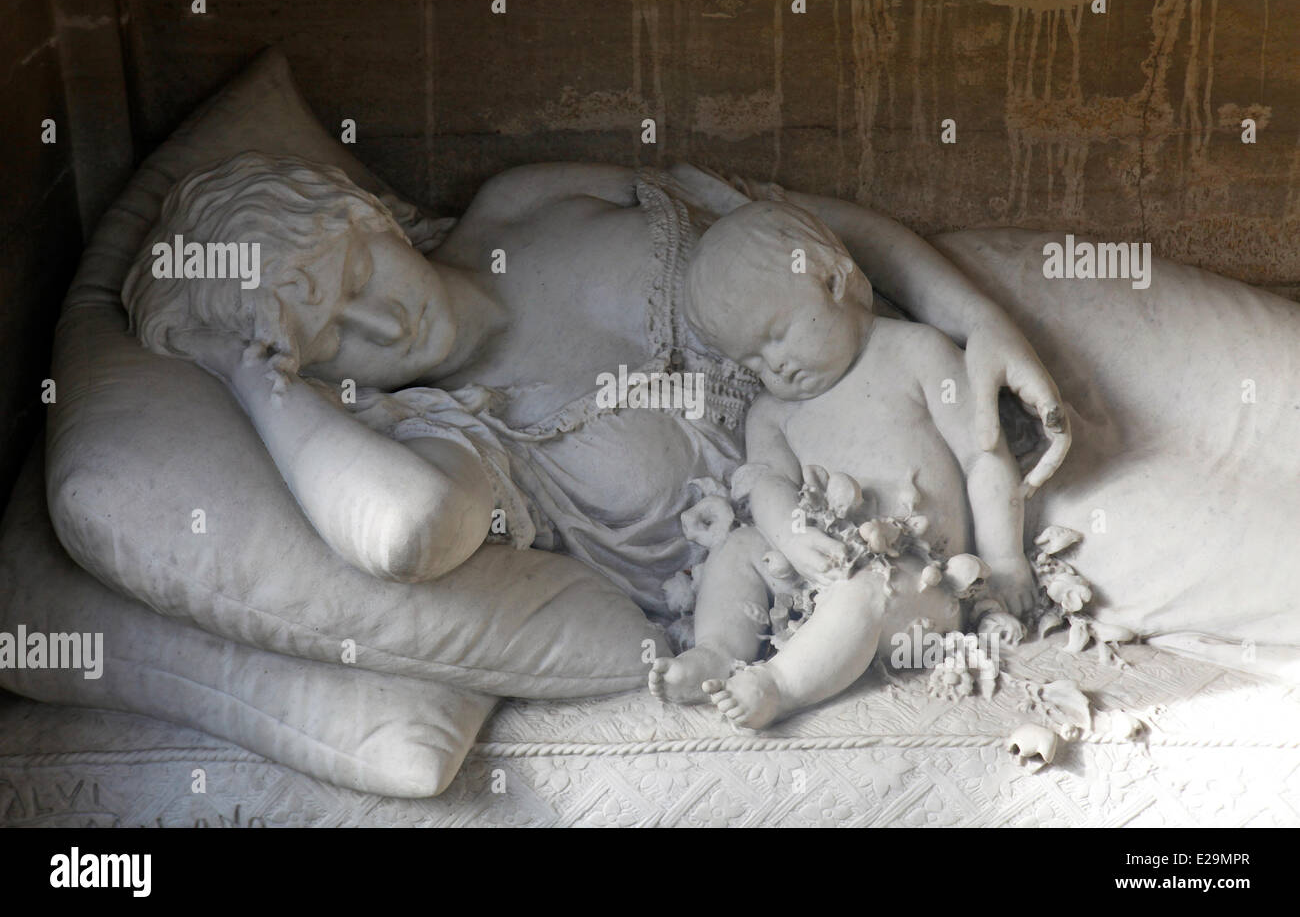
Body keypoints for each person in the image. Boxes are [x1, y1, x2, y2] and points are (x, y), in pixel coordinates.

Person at [121, 152, 1069, 624]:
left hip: (948, 366)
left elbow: (799, 229)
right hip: (898, 578)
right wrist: (251, 379)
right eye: (330, 337)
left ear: (364, 213)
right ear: (314, 375)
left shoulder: (521, 203)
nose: (385, 325)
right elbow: (405, 532)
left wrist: (981, 320)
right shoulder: (454, 435)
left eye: (358, 277)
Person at [649, 200, 1030, 720]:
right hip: (810, 583)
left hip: (917, 588)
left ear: (832, 281)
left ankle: (780, 685)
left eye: (777, 335)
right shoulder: (772, 413)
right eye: (752, 360)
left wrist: (1006, 562)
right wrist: (789, 535)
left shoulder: (918, 354)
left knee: (866, 589)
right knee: (739, 549)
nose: (774, 364)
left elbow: (984, 458)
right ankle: (718, 650)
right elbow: (767, 486)